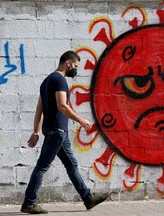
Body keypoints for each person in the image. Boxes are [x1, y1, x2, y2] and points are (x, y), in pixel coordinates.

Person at [21, 51, 109, 214]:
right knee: (42, 166)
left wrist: (36, 131)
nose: (76, 70)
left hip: (56, 131)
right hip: (57, 130)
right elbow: (62, 106)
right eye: (75, 66)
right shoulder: (59, 80)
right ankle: (29, 201)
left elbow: (39, 109)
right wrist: (82, 120)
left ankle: (88, 198)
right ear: (68, 63)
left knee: (71, 165)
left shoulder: (46, 81)